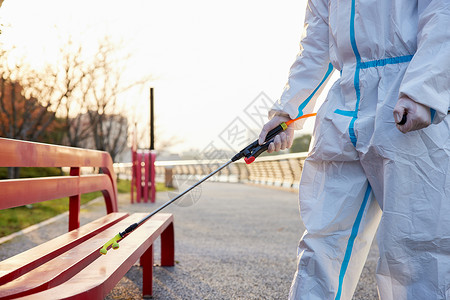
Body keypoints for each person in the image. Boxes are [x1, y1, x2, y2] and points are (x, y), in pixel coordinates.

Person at [258, 1, 450, 299]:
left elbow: (443, 14)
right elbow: (315, 44)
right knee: (322, 240)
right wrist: (286, 112)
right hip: (344, 103)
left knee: (418, 245)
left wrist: (423, 89)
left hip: (406, 98)